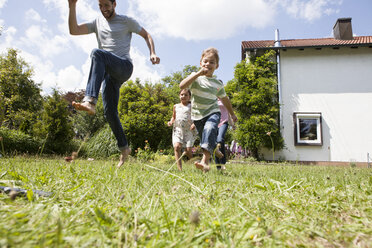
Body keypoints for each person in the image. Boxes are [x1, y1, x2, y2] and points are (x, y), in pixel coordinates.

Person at [67, 0, 160, 168]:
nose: (104, 9)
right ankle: (124, 149)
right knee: (109, 112)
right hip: (110, 74)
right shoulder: (97, 22)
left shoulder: (126, 21)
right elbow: (74, 30)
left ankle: (90, 100)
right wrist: (72, 5)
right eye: (100, 6)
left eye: (106, 5)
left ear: (114, 4)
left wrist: (152, 53)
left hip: (124, 66)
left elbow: (147, 35)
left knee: (97, 54)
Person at [179, 47, 237, 172]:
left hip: (212, 112)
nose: (208, 64)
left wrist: (232, 114)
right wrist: (198, 74)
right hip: (197, 116)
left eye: (212, 62)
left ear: (217, 66)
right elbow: (182, 86)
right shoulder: (195, 78)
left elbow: (225, 99)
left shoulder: (217, 83)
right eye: (205, 61)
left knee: (210, 129)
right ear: (201, 63)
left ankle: (204, 162)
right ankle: (216, 151)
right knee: (206, 138)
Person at [167, 89, 196, 171]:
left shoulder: (192, 106)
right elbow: (173, 117)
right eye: (182, 94)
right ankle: (180, 169)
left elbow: (197, 116)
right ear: (179, 96)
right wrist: (171, 122)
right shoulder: (175, 106)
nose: (183, 96)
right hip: (178, 129)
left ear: (189, 97)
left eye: (186, 95)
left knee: (188, 151)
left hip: (189, 130)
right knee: (177, 147)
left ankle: (195, 164)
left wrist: (194, 124)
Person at [215, 99, 236, 170]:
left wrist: (232, 124)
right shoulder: (212, 97)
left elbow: (228, 113)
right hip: (214, 123)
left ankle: (223, 163)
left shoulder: (225, 98)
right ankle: (218, 166)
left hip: (224, 122)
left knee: (220, 139)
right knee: (217, 144)